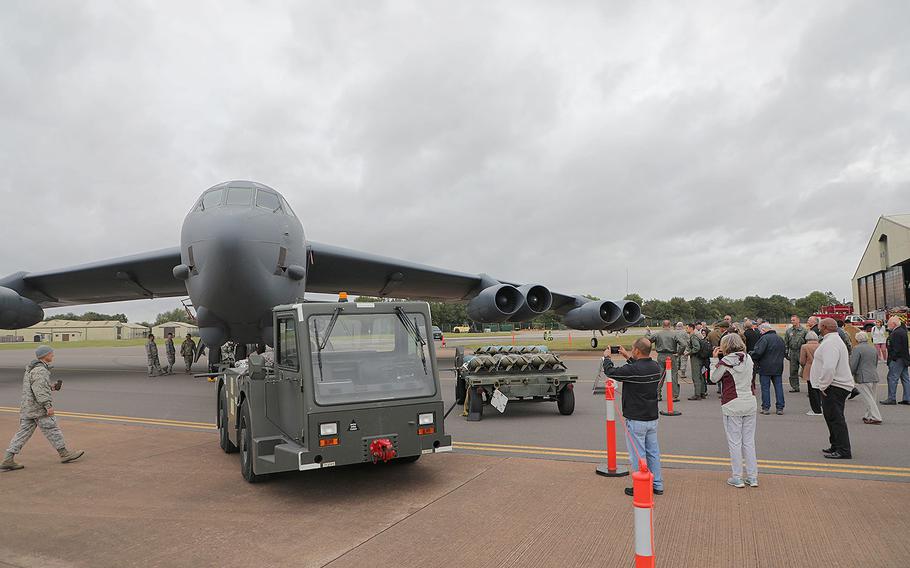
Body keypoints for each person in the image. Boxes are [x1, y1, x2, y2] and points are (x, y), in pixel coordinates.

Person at [1, 346, 84, 471]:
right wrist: (48, 405)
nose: (53, 355)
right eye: (51, 353)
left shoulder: (31, 368)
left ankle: (8, 459)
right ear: (45, 355)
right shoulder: (40, 370)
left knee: (22, 434)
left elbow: (35, 386)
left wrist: (52, 387)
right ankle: (64, 454)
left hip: (28, 407)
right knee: (52, 428)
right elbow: (39, 390)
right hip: (38, 408)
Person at [602, 338, 664, 496]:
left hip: (636, 418)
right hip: (652, 416)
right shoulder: (656, 367)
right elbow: (636, 370)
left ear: (637, 351)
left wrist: (607, 358)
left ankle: (641, 485)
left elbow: (611, 372)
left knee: (638, 454)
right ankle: (657, 484)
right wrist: (627, 357)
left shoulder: (633, 369)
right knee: (653, 452)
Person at [709, 333, 758, 488]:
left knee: (735, 442)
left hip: (733, 403)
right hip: (749, 401)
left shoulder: (726, 361)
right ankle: (752, 476)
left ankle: (737, 476)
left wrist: (714, 360)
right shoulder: (748, 358)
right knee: (749, 442)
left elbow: (713, 378)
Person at [810, 318, 854, 459]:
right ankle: (836, 444)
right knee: (831, 417)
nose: (818, 328)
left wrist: (823, 385)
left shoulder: (831, 343)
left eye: (820, 326)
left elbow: (829, 367)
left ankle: (843, 450)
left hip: (834, 386)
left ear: (824, 327)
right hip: (834, 385)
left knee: (836, 419)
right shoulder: (832, 340)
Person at [750, 322, 786, 415]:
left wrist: (750, 353)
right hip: (778, 366)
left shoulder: (764, 339)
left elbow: (758, 352)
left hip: (765, 367)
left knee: (765, 388)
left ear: (763, 330)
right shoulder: (780, 338)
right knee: (778, 387)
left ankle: (766, 407)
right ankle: (780, 408)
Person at [647, 320, 685, 401]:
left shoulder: (658, 334)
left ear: (662, 325)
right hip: (671, 355)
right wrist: (679, 353)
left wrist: (648, 333)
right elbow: (683, 344)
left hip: (661, 356)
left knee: (660, 376)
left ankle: (657, 395)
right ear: (670, 325)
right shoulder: (674, 334)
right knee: (673, 375)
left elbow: (648, 340)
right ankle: (674, 395)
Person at [850, 331, 882, 425]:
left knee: (868, 398)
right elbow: (876, 362)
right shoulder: (873, 348)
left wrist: (850, 373)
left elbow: (853, 364)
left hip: (863, 376)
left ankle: (876, 417)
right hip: (873, 375)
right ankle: (868, 415)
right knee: (872, 397)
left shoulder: (857, 349)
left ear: (857, 339)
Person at [881, 316, 910, 405]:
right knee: (905, 379)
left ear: (893, 324)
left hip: (897, 359)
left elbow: (896, 348)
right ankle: (907, 398)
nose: (887, 326)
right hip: (904, 358)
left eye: (889, 324)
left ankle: (891, 398)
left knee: (892, 378)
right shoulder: (902, 331)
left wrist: (892, 359)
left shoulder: (896, 333)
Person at [800, 331, 823, 416]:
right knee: (819, 389)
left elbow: (802, 360)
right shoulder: (821, 345)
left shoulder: (804, 346)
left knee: (812, 391)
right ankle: (820, 405)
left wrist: (804, 365)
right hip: (820, 368)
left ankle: (816, 410)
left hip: (809, 368)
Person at [784, 315, 807, 393]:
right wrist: (786, 352)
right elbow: (786, 343)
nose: (792, 321)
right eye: (791, 320)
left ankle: (811, 387)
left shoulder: (804, 331)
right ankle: (795, 387)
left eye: (793, 320)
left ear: (798, 320)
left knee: (806, 370)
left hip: (801, 352)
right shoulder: (789, 331)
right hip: (793, 352)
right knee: (793, 371)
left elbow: (807, 342)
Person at [686, 323, 708, 400]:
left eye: (687, 327)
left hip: (696, 358)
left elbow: (696, 347)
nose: (686, 329)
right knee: (700, 375)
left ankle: (697, 394)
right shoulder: (697, 334)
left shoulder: (693, 336)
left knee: (696, 376)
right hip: (700, 357)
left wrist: (689, 352)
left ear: (691, 328)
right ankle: (702, 393)